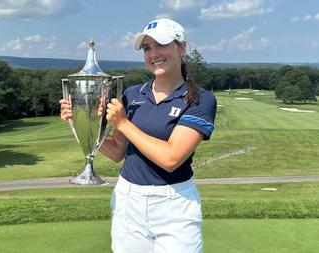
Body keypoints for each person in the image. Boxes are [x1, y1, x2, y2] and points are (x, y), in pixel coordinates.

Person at [60, 18, 217, 253]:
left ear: (182, 48)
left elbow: (171, 158)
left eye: (161, 45)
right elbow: (116, 153)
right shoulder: (133, 94)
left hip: (175, 203)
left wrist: (123, 124)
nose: (154, 54)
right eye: (147, 48)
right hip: (128, 199)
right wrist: (81, 124)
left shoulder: (200, 99)